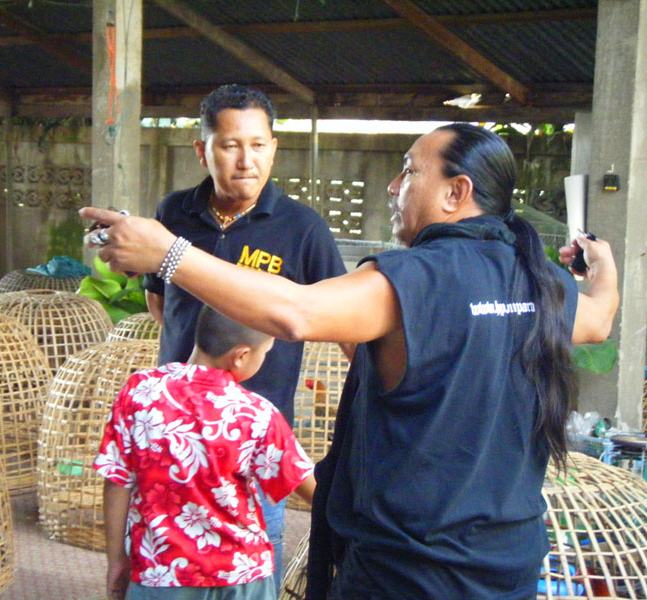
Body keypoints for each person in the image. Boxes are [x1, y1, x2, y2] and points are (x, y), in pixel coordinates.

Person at [81, 122, 620, 600]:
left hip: (406, 569)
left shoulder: (412, 279)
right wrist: (604, 266)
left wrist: (169, 254)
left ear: (456, 192)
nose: (394, 185)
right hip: (508, 564)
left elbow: (295, 313)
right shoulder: (538, 281)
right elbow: (598, 319)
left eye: (409, 171)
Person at [141, 83, 349, 589]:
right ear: (202, 150)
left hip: (256, 445)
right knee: (168, 556)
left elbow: (344, 321)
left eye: (258, 145)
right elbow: (160, 302)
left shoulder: (303, 229)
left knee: (253, 563)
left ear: (273, 148)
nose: (245, 160)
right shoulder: (173, 213)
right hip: (177, 433)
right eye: (230, 145)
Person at [95, 305, 316, 600]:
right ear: (241, 356)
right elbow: (306, 485)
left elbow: (117, 481)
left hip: (161, 571)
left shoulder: (139, 392)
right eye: (264, 353)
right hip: (242, 575)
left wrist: (116, 561)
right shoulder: (256, 413)